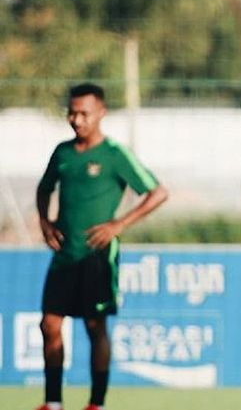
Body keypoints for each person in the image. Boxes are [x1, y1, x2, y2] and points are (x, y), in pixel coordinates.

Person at [35, 83, 168, 410]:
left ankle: (97, 403)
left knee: (95, 326)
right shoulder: (62, 152)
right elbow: (44, 188)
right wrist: (44, 220)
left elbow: (158, 192)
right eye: (72, 112)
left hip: (97, 256)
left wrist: (119, 224)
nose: (77, 120)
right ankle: (53, 402)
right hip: (65, 255)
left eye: (84, 113)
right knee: (49, 324)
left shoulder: (114, 155)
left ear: (101, 113)